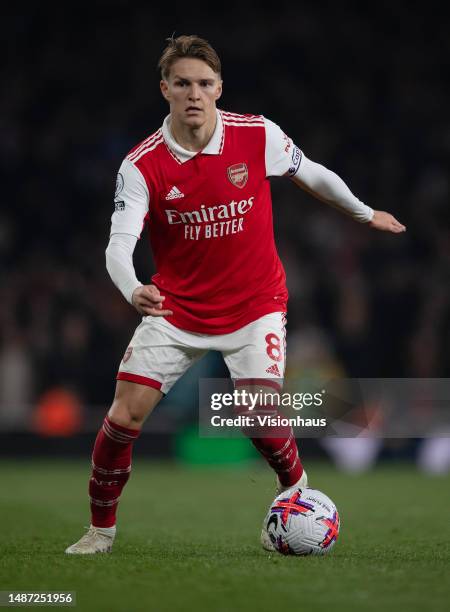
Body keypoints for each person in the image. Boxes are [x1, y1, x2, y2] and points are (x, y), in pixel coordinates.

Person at [65, 35, 406, 554]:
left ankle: (295, 495)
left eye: (204, 83)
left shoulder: (256, 135)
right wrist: (132, 286)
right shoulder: (142, 165)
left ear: (219, 88)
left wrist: (363, 212)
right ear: (166, 89)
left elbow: (310, 172)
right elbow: (118, 245)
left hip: (255, 304)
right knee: (123, 415)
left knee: (255, 413)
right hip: (176, 308)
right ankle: (100, 531)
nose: (194, 94)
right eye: (182, 83)